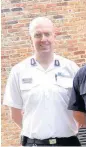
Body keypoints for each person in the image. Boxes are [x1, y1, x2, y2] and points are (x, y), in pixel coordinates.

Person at [3, 17, 81, 146]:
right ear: (31, 39)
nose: (43, 39)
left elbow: (81, 108)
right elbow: (15, 114)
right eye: (37, 35)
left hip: (68, 142)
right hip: (35, 143)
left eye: (47, 34)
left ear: (54, 36)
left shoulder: (71, 68)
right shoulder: (19, 71)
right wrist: (35, 132)